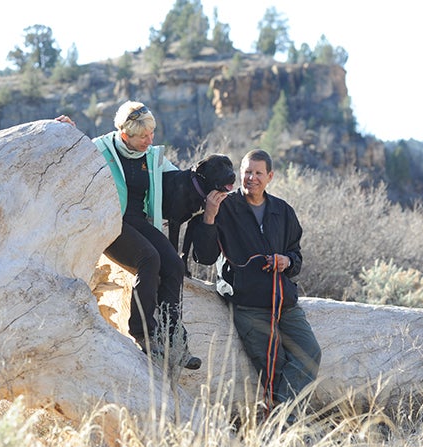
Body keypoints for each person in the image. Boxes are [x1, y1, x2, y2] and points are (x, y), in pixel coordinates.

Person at [56, 101, 201, 370]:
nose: (150, 140)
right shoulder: (100, 149)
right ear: (126, 135)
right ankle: (144, 335)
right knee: (149, 259)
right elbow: (73, 153)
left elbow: (180, 180)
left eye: (152, 133)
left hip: (137, 221)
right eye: (144, 136)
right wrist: (69, 132)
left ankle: (174, 340)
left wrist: (206, 183)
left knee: (174, 265)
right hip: (109, 222)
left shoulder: (152, 155)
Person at [190, 148, 321, 412]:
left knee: (310, 354)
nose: (252, 178)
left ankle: (278, 425)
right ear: (240, 173)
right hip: (248, 304)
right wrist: (209, 216)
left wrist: (287, 261)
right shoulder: (224, 207)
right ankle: (283, 430)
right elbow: (204, 257)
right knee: (274, 367)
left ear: (270, 176)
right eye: (247, 172)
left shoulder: (283, 211)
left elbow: (296, 256)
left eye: (258, 173)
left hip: (285, 300)